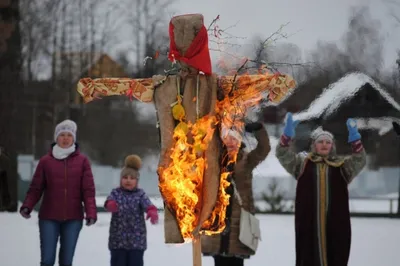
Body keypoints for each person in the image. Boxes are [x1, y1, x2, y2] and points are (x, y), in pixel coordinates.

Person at [276, 113, 367, 266]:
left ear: (332, 146)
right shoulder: (303, 164)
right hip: (309, 223)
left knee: (336, 255)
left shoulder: (342, 166)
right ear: (314, 145)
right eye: (320, 142)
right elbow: (282, 154)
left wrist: (355, 139)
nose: (324, 144)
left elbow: (360, 160)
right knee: (309, 256)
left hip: (336, 223)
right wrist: (286, 137)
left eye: (327, 142)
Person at [20, 119, 97, 266]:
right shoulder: (45, 161)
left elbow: (88, 190)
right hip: (49, 217)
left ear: (74, 138)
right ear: (56, 138)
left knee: (66, 262)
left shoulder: (82, 161)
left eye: (69, 135)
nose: (66, 138)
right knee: (47, 260)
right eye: (62, 135)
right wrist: (27, 206)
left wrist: (91, 212)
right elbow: (36, 187)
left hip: (73, 218)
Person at [201, 122, 271, 266]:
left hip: (239, 221)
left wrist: (259, 130)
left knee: (236, 262)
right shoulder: (213, 161)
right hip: (217, 219)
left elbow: (264, 149)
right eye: (227, 138)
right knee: (219, 260)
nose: (230, 142)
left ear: (239, 142)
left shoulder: (247, 161)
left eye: (234, 139)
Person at [104, 154, 159, 266]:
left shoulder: (140, 194)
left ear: (136, 181)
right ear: (121, 179)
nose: (128, 181)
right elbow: (108, 202)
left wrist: (151, 211)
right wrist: (110, 204)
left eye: (132, 178)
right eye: (125, 178)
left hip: (136, 241)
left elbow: (148, 204)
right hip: (117, 241)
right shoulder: (116, 193)